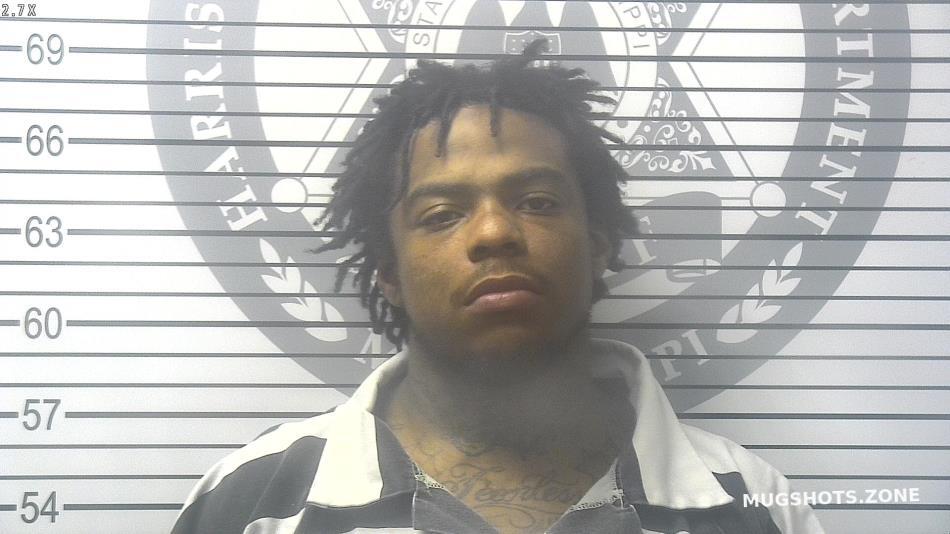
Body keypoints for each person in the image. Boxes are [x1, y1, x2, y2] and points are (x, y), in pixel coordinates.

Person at [171, 41, 824, 534]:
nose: (494, 232)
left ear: (598, 244)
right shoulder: (252, 501)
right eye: (441, 214)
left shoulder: (755, 504)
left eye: (537, 201)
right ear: (389, 272)